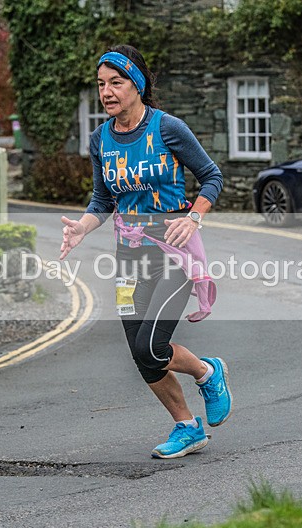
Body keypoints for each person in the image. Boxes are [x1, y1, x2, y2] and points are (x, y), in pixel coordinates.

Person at [59, 44, 232, 459]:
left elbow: (211, 175)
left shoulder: (168, 128)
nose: (107, 91)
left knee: (152, 345)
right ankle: (187, 427)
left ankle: (209, 372)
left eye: (116, 82)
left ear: (136, 84)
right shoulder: (101, 139)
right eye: (101, 84)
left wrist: (193, 217)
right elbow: (102, 200)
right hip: (129, 256)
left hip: (173, 250)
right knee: (142, 354)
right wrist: (81, 228)